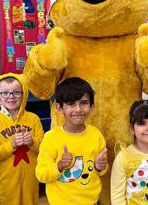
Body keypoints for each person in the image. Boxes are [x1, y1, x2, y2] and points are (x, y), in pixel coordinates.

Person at [35, 77, 108, 205]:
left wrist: (100, 167)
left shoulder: (96, 135)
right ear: (59, 108)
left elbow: (100, 170)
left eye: (84, 103)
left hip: (91, 201)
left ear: (92, 106)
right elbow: (41, 174)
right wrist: (59, 166)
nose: (78, 109)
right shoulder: (51, 138)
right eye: (71, 104)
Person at [0, 73, 44, 205]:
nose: (11, 97)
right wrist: (11, 144)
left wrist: (32, 142)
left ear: (24, 94)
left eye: (16, 92)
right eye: (5, 93)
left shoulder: (33, 119)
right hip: (8, 180)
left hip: (31, 178)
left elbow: (43, 148)